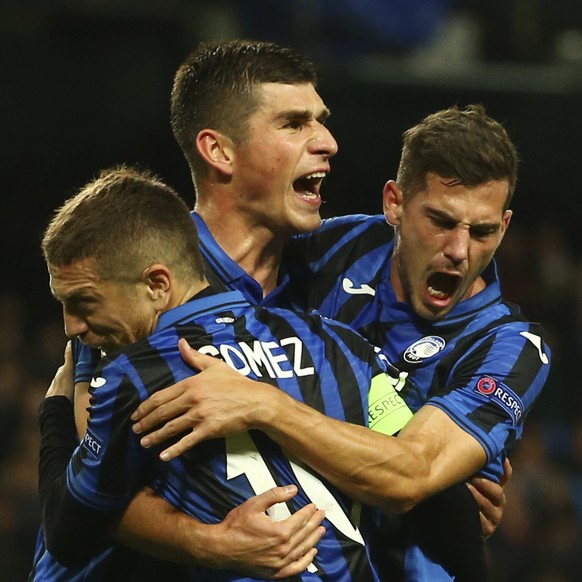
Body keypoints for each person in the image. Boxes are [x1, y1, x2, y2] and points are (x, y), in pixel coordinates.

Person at [71, 40, 509, 579]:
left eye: (320, 121)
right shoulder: (141, 275)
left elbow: (408, 457)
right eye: (294, 123)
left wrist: (444, 481)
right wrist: (211, 543)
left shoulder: (343, 255)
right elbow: (89, 486)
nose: (327, 142)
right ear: (219, 151)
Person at [33, 165, 419, 581]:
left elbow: (69, 532)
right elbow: (413, 473)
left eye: (84, 302)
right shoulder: (338, 343)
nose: (71, 326)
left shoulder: (135, 376)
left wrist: (56, 409)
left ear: (158, 285)